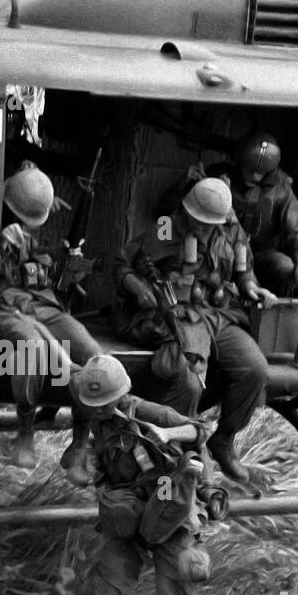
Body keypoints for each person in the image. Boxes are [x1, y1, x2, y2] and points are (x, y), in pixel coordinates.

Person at [69, 354, 215, 595]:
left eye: (107, 405)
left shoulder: (147, 412)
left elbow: (201, 431)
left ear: (121, 397)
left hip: (168, 513)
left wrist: (168, 435)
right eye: (94, 406)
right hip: (127, 517)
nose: (100, 412)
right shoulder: (95, 418)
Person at [113, 176, 273, 481]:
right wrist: (136, 287)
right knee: (188, 378)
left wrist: (251, 286)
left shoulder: (232, 232)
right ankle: (174, 452)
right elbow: (122, 263)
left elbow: (245, 270)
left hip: (218, 314)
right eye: (196, 220)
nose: (200, 227)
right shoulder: (166, 226)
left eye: (208, 223)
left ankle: (223, 440)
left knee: (254, 369)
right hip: (175, 314)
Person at [0, 162, 102, 484]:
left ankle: (79, 446)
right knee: (32, 348)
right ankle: (25, 434)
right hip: (6, 306)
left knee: (93, 354)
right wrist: (3, 241)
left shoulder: (38, 220)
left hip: (45, 303)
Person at [212, 132, 298, 300]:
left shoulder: (281, 189)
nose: (255, 176)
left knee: (284, 265)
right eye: (250, 170)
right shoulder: (220, 177)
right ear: (238, 162)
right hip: (223, 253)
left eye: (262, 172)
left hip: (261, 257)